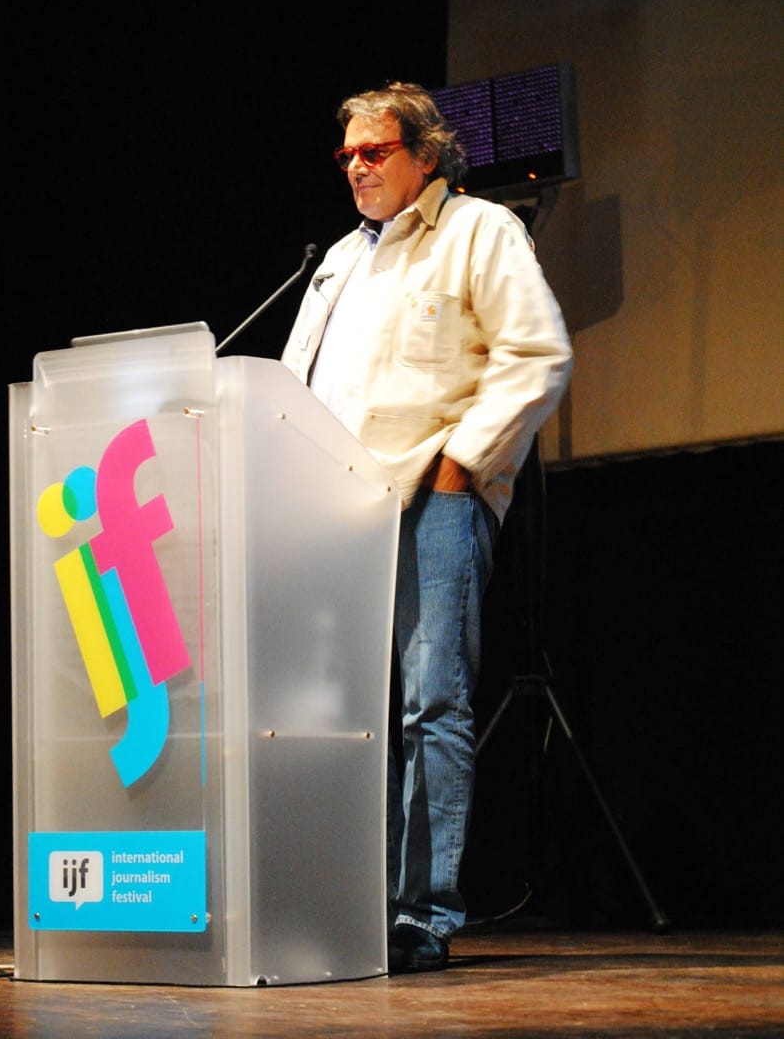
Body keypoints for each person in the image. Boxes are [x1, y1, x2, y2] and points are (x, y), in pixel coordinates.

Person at [281, 81, 573, 974]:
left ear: (426, 156)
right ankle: (344, 903)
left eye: (375, 152)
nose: (357, 168)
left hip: (431, 500)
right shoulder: (336, 262)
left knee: (430, 705)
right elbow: (294, 382)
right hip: (334, 514)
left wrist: (463, 465)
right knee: (332, 716)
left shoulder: (479, 231)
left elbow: (538, 352)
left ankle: (422, 915)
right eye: (348, 156)